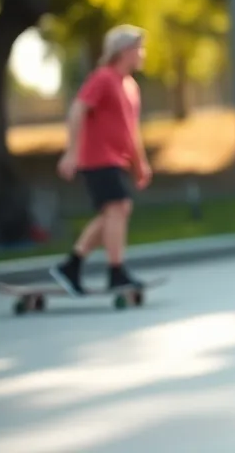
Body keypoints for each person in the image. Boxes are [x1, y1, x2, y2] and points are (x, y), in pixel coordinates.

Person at [52, 25, 152, 296]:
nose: (142, 54)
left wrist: (140, 163)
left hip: (116, 160)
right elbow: (77, 110)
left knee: (115, 212)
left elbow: (131, 130)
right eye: (138, 49)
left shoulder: (130, 86)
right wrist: (72, 151)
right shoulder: (103, 78)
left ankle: (72, 266)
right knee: (118, 208)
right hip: (96, 158)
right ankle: (116, 271)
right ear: (123, 51)